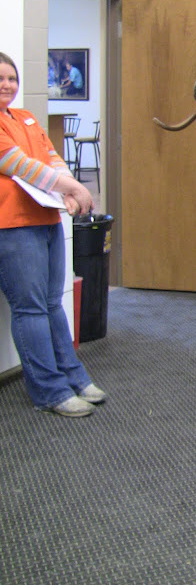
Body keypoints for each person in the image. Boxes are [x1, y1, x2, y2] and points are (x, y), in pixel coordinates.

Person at [0, 52, 106, 417]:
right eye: (0, 79)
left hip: (45, 220)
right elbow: (19, 165)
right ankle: (49, 391)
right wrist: (74, 189)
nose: (7, 85)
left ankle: (74, 377)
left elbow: (50, 156)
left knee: (51, 304)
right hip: (12, 227)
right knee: (29, 309)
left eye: (11, 78)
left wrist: (69, 187)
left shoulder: (27, 117)